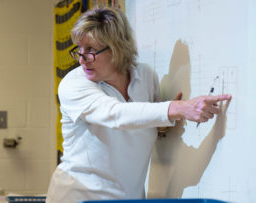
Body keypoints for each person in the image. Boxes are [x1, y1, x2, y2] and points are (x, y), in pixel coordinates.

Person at [46, 6, 231, 203]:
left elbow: (140, 119)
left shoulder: (146, 76)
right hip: (78, 195)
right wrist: (178, 108)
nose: (82, 59)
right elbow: (114, 114)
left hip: (128, 197)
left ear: (117, 47)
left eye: (91, 50)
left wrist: (164, 123)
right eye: (80, 50)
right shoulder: (74, 84)